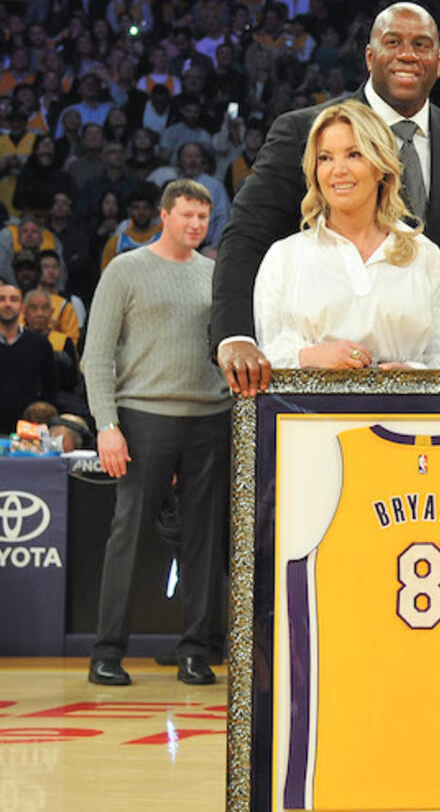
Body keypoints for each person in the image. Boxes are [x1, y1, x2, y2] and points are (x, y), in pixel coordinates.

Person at [214, 2, 440, 394]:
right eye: (393, 42)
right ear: (370, 55)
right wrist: (235, 338)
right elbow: (245, 237)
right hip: (309, 403)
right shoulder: (302, 130)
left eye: (421, 44)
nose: (407, 54)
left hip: (415, 399)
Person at [79, 179, 231, 687]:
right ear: (163, 215)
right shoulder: (125, 270)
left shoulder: (216, 275)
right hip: (144, 415)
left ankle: (195, 650)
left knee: (204, 540)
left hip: (210, 415)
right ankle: (107, 651)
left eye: (203, 218)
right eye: (186, 215)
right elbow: (96, 355)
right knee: (130, 532)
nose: (195, 225)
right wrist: (107, 425)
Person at [253, 101, 440, 371]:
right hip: (311, 413)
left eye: (354, 154)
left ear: (381, 166)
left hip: (407, 412)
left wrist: (414, 376)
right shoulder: (284, 257)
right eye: (325, 158)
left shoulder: (423, 254)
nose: (338, 169)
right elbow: (265, 355)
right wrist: (309, 358)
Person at [0, 281, 57, 433]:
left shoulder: (40, 344)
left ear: (22, 308)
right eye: (2, 299)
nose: (7, 304)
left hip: (30, 433)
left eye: (13, 299)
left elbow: (50, 390)